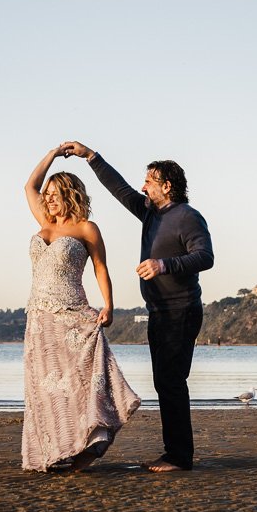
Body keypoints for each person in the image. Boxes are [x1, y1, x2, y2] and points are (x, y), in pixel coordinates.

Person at [60, 142, 213, 473]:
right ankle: (175, 453)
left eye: (149, 181)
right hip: (160, 312)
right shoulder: (150, 213)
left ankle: (179, 457)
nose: (143, 186)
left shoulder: (187, 217)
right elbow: (119, 189)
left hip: (181, 311)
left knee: (171, 382)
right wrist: (91, 157)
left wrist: (162, 265)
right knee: (165, 382)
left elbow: (205, 257)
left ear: (166, 186)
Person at [21, 145, 141, 472]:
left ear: (71, 194)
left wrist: (109, 305)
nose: (49, 198)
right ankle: (55, 452)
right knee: (45, 388)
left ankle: (88, 446)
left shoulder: (86, 228)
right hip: (39, 321)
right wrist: (52, 153)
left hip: (73, 316)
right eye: (48, 194)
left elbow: (101, 267)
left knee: (77, 384)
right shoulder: (43, 220)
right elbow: (29, 186)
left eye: (56, 194)